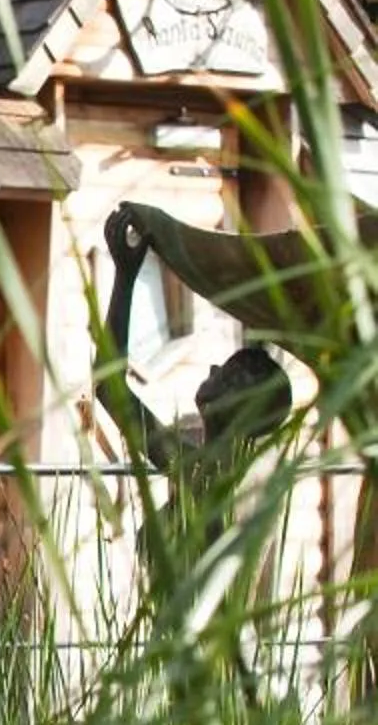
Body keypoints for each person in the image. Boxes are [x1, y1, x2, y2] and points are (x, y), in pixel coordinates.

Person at [98, 205, 292, 504]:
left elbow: (110, 390)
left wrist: (125, 278)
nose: (214, 369)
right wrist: (124, 275)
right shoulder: (200, 466)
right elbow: (109, 391)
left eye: (228, 375)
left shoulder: (210, 477)